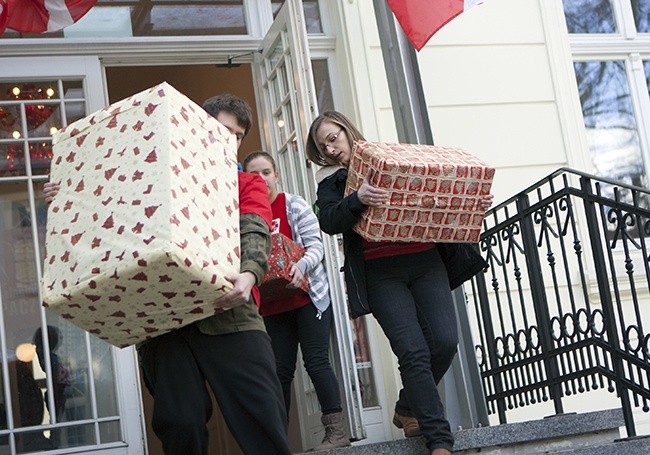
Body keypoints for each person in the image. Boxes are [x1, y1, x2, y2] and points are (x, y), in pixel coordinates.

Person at [44, 94, 292, 455]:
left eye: (237, 135)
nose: (229, 139)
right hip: (162, 319)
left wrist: (251, 274)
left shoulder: (245, 183)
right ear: (196, 122)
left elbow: (254, 227)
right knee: (180, 424)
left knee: (262, 419)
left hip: (231, 311)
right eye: (223, 129)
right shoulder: (148, 166)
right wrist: (66, 192)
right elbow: (103, 204)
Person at [305, 111, 494, 455]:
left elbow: (437, 192)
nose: (330, 148)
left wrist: (472, 203)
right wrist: (357, 198)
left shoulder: (389, 156)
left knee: (445, 341)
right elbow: (330, 221)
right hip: (380, 272)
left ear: (347, 131)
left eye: (333, 138)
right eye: (323, 145)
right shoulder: (330, 179)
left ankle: (406, 406)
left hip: (426, 261)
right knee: (412, 350)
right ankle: (440, 441)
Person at [243, 151, 350, 451]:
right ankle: (278, 441)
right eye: (254, 174)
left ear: (276, 174)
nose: (261, 179)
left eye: (266, 172)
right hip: (273, 305)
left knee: (316, 363)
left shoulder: (294, 205)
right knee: (279, 373)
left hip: (308, 299)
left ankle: (337, 433)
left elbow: (316, 247)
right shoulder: (247, 215)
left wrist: (299, 266)